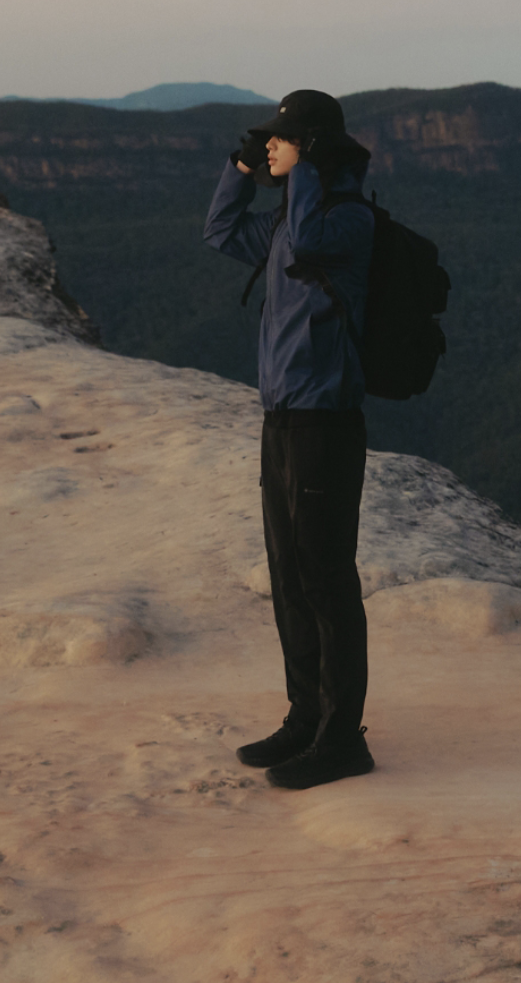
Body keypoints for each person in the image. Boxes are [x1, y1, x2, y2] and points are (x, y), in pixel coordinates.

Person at [202, 89, 377, 790]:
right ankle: (306, 716)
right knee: (288, 576)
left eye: (280, 139)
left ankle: (343, 739)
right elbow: (218, 232)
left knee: (325, 579)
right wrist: (242, 170)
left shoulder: (346, 221)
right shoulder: (288, 220)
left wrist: (304, 167)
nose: (268, 146)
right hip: (282, 418)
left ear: (313, 147)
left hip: (325, 422)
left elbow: (306, 240)